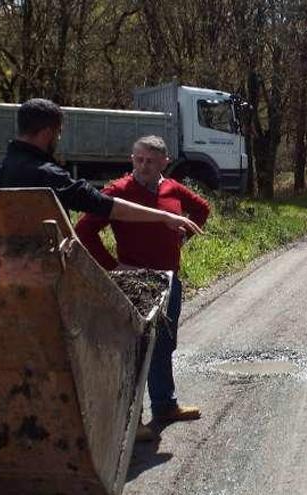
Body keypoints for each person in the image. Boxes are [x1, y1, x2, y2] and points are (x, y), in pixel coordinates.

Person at [75, 135, 210, 442]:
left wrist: (182, 238)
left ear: (165, 161)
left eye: (150, 160)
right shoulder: (119, 191)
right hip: (134, 283)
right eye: (138, 159)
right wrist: (113, 266)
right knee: (134, 349)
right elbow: (84, 230)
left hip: (169, 279)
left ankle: (164, 406)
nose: (143, 166)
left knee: (164, 343)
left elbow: (202, 209)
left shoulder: (171, 188)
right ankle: (129, 422)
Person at [0, 98, 203, 236]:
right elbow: (105, 205)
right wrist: (164, 217)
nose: (58, 138)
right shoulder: (49, 176)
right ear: (48, 133)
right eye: (58, 133)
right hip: (41, 276)